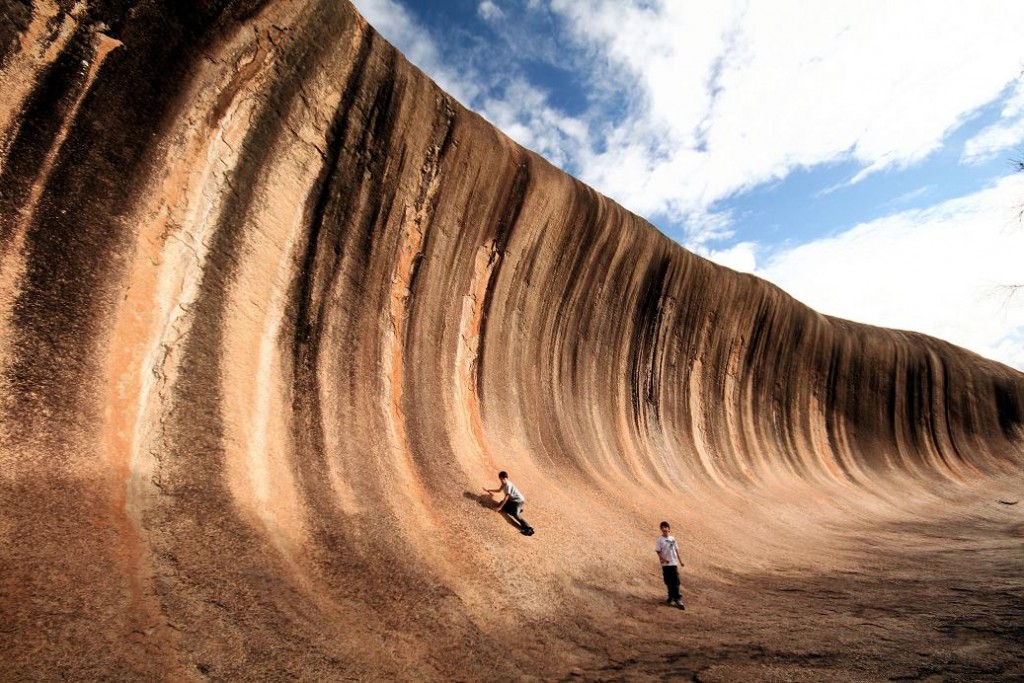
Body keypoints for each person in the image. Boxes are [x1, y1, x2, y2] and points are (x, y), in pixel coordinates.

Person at [484, 471, 534, 535]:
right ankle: (517, 509)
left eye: (501, 479)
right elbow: (499, 490)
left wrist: (499, 507)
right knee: (502, 503)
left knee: (515, 515)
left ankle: (529, 528)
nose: (501, 480)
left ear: (503, 478)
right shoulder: (504, 484)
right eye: (500, 479)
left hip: (518, 501)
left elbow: (506, 497)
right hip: (512, 501)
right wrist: (489, 490)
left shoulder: (507, 485)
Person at [655, 521, 685, 609]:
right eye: (662, 527)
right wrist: (663, 559)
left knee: (676, 581)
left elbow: (676, 550)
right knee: (668, 581)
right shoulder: (659, 540)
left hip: (673, 563)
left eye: (666, 527)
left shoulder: (673, 539)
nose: (664, 528)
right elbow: (658, 551)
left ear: (669, 529)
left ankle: (678, 598)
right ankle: (671, 598)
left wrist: (680, 561)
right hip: (665, 564)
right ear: (661, 529)